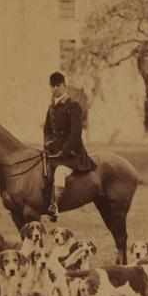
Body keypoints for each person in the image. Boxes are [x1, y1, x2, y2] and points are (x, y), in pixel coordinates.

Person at [43, 71, 95, 221]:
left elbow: (75, 134)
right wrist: (47, 144)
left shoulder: (73, 106)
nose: (54, 89)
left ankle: (55, 207)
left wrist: (64, 151)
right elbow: (47, 130)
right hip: (54, 152)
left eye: (57, 86)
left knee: (59, 172)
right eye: (52, 86)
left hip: (73, 154)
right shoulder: (51, 107)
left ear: (64, 86)